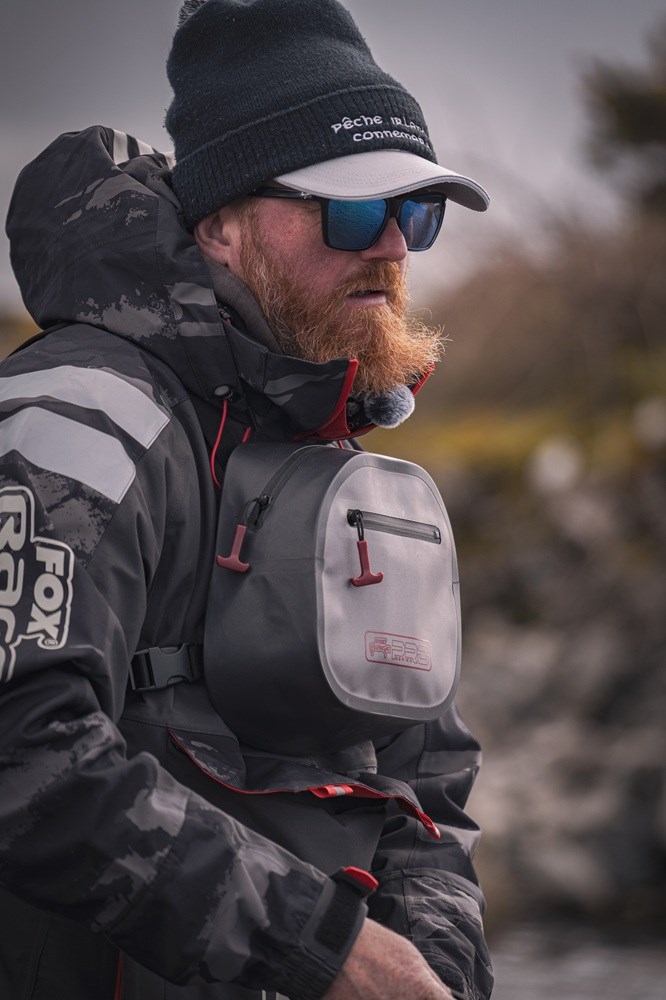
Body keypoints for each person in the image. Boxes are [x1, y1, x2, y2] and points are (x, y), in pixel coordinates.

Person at [0, 1, 493, 998]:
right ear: (221, 226)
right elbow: (23, 751)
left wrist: (434, 970)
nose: (392, 246)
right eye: (351, 211)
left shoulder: (347, 466)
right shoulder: (77, 419)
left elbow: (431, 793)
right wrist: (326, 951)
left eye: (415, 212)